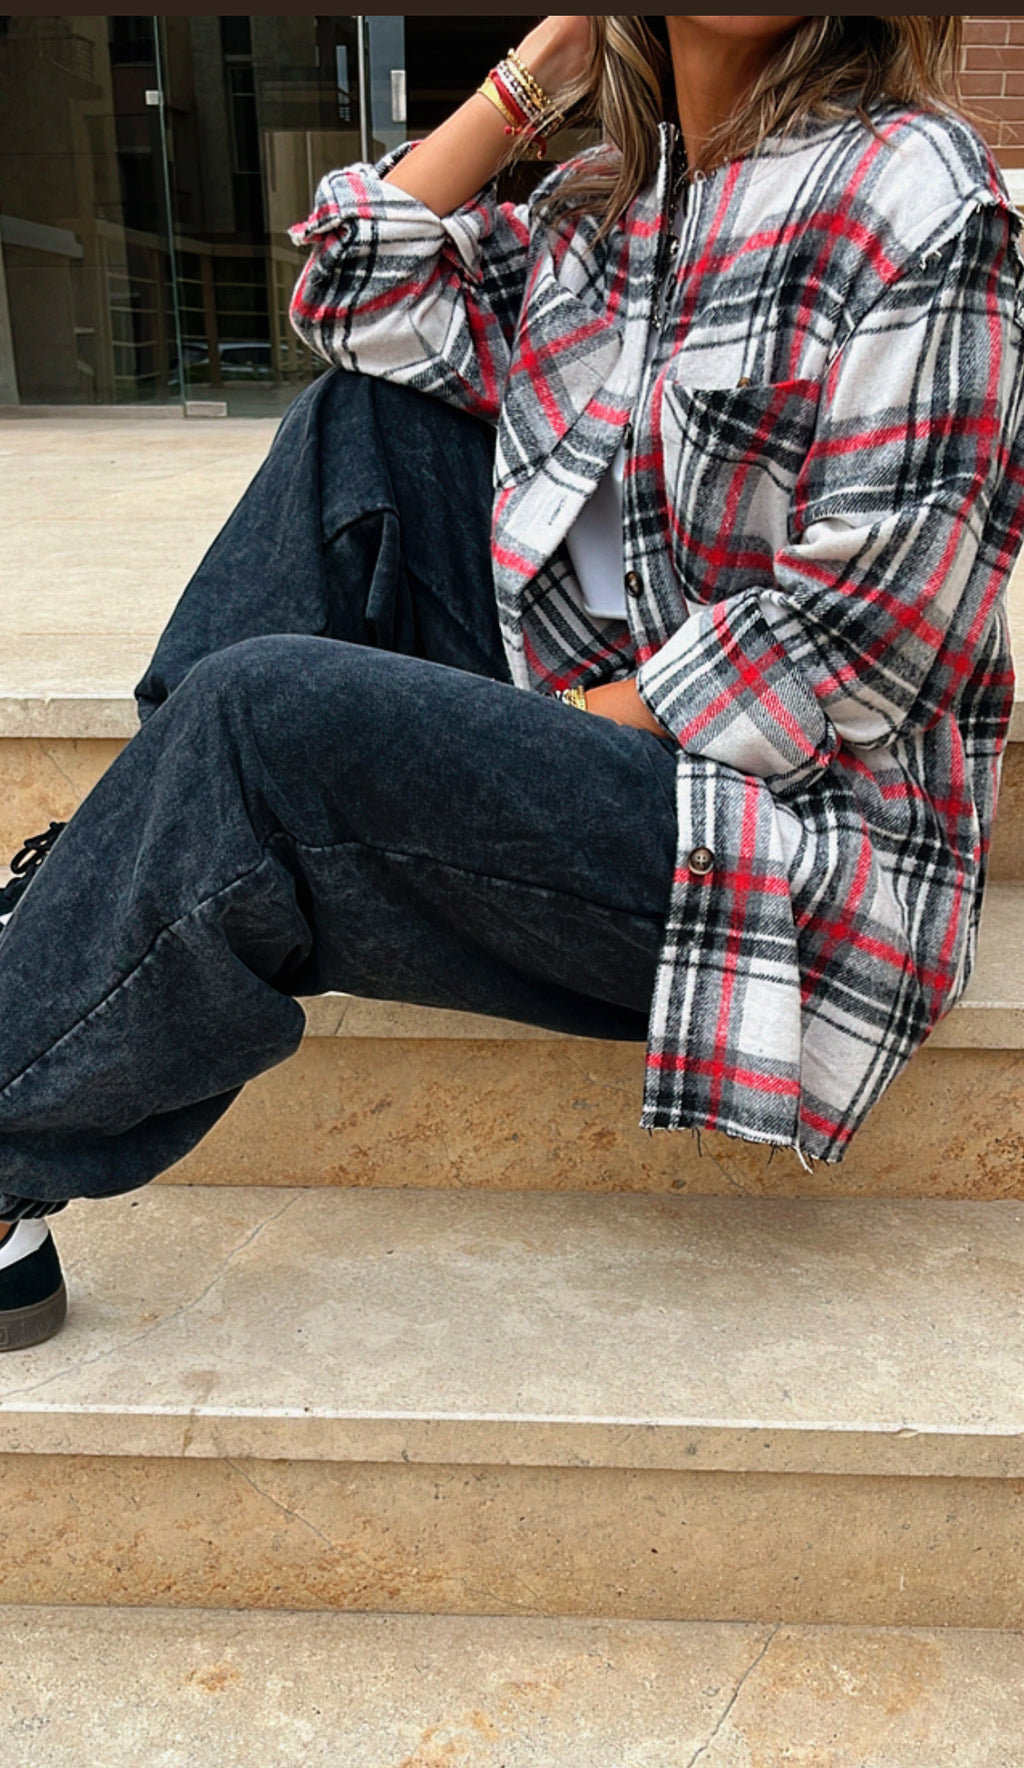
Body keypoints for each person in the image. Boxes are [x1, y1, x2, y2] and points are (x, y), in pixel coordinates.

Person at [0, 15, 1021, 1351]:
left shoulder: (925, 195)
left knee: (269, 722)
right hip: (606, 715)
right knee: (357, 421)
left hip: (777, 831)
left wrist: (547, 729)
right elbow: (352, 298)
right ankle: (104, 890)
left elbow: (872, 631)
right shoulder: (611, 197)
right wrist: (543, 73)